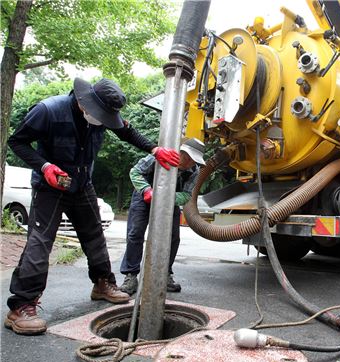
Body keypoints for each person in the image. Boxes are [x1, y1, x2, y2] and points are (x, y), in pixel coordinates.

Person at [5, 78, 181, 335]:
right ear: (83, 102)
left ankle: (102, 284)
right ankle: (21, 306)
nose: (104, 121)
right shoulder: (48, 111)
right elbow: (17, 142)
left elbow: (126, 131)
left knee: (94, 236)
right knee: (39, 243)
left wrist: (155, 149)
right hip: (50, 186)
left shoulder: (104, 116)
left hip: (81, 184)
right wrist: (44, 166)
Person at [119, 138, 204, 295]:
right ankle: (130, 276)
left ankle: (165, 274)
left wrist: (164, 196)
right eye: (189, 158)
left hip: (169, 201)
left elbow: (186, 196)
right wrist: (145, 190)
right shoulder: (160, 156)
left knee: (173, 237)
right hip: (143, 196)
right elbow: (135, 171)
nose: (191, 163)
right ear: (182, 152)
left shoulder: (194, 171)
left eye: (195, 160)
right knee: (135, 234)